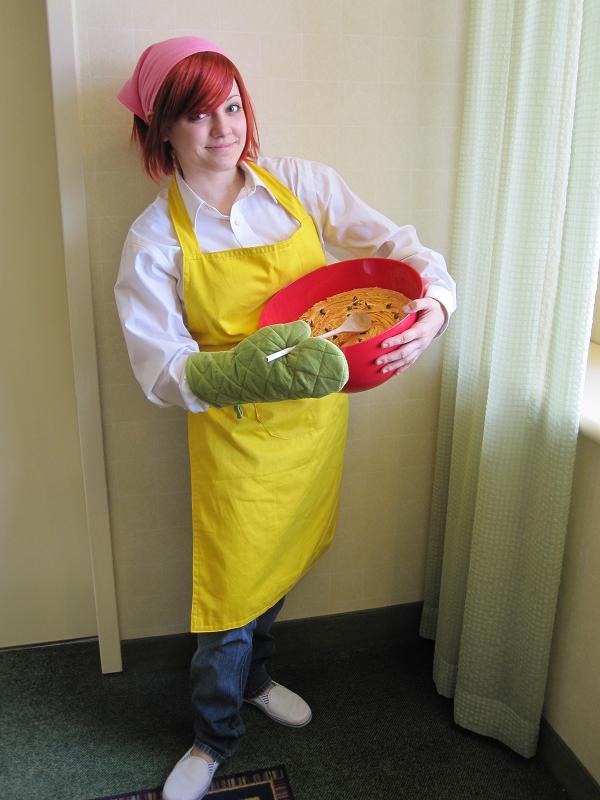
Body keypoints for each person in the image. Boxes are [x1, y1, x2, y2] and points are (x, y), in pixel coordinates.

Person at [115, 36, 456, 800]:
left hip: (313, 427)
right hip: (234, 439)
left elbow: (401, 249)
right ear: (161, 129)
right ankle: (212, 737)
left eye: (233, 106)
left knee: (278, 568)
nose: (224, 128)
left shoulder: (299, 184)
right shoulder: (155, 238)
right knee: (228, 598)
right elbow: (160, 368)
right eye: (199, 115)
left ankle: (258, 679)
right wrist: (240, 371)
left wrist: (435, 308)